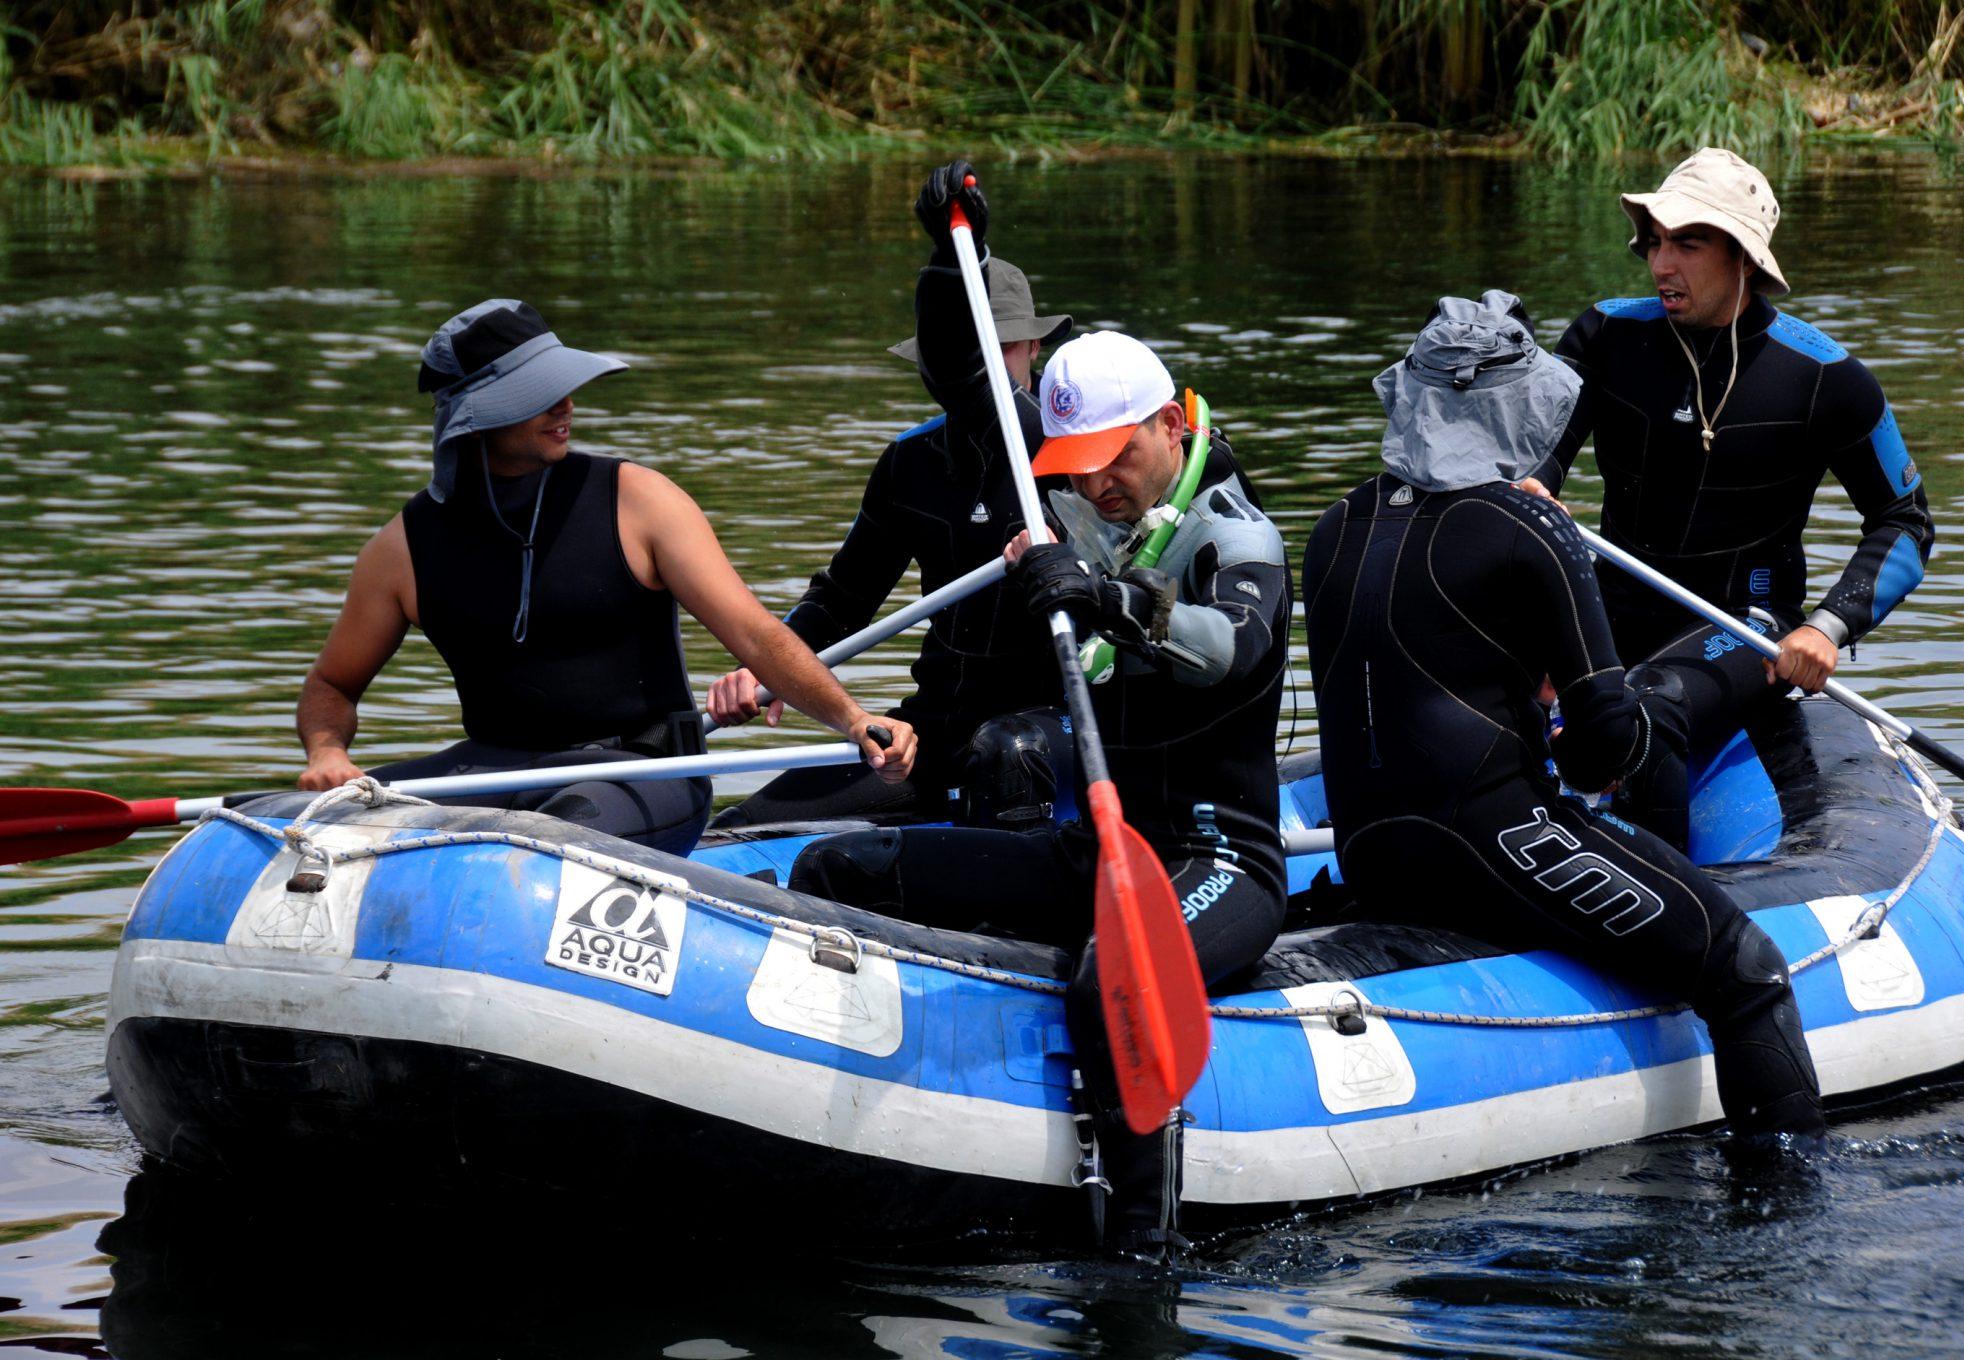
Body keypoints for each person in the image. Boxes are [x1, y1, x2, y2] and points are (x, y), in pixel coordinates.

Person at [790, 328, 1293, 1258]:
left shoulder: (1236, 532)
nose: (1098, 483)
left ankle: (1144, 1251)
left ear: (1171, 423)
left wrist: (1114, 601)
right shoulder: (1077, 526)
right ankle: (828, 1140)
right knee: (838, 866)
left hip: (1217, 860)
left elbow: (1233, 649)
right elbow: (974, 377)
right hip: (1097, 854)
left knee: (1114, 980)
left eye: (1117, 458)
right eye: (1079, 466)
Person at [1304, 291, 1825, 1146]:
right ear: (1520, 411)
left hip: (1373, 852)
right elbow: (1604, 746)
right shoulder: (1530, 526)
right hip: (1493, 843)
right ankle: (1783, 1237)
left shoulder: (1333, 527)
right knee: (1747, 969)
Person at [294, 298, 915, 854]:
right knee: (315, 822)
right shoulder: (401, 548)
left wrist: (852, 720)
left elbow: (756, 638)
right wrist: (328, 753)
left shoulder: (638, 501)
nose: (567, 405)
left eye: (565, 386)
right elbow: (331, 684)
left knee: (549, 837)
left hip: (640, 772)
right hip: (495, 770)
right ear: (475, 413)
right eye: (541, 394)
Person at [1529, 148, 1935, 849]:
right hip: (1609, 606)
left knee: (1645, 708)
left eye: (1688, 243)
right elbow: (1538, 465)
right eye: (1655, 243)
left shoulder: (1825, 378)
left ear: (1743, 256)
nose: (1661, 264)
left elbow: (1905, 521)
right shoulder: (1604, 336)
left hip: (1747, 622)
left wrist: (1827, 627)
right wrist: (1533, 498)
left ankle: (1659, 921)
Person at [707, 161, 1071, 831]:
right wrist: (767, 667)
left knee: (1007, 756)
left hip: (1054, 731)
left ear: (1030, 346)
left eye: (995, 353)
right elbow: (843, 598)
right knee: (743, 829)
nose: (973, 378)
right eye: (954, 359)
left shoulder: (1075, 456)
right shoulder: (910, 464)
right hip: (933, 730)